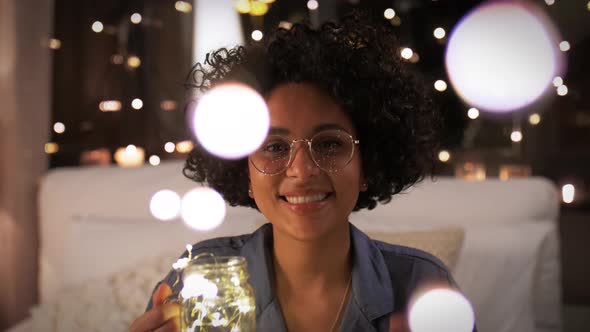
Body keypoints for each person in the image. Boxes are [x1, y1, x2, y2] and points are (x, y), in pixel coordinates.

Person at [130, 11, 472, 332]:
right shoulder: (199, 280)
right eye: (275, 147)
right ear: (244, 170)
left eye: (329, 144)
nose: (302, 170)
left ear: (367, 165)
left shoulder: (422, 284)